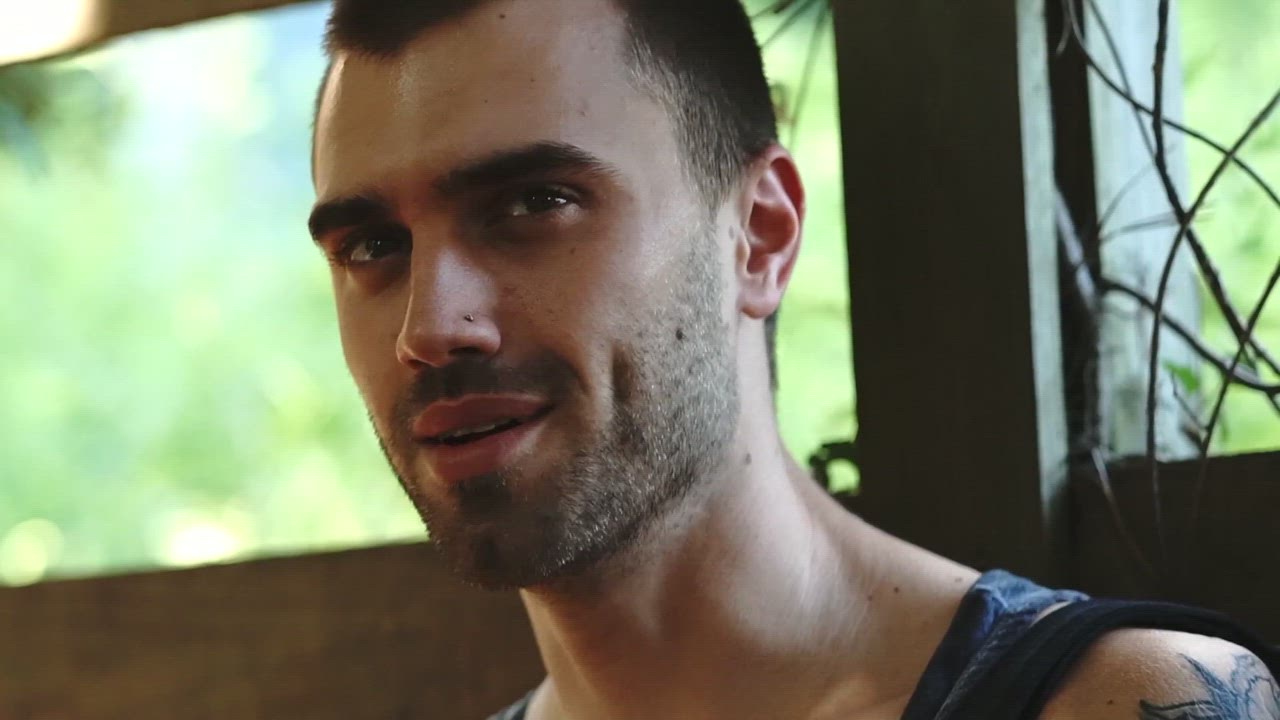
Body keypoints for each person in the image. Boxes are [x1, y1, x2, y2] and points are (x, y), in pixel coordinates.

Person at [306, 0, 1279, 717]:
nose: (430, 327)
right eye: (372, 246)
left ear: (759, 235)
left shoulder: (1119, 704)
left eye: (533, 204)